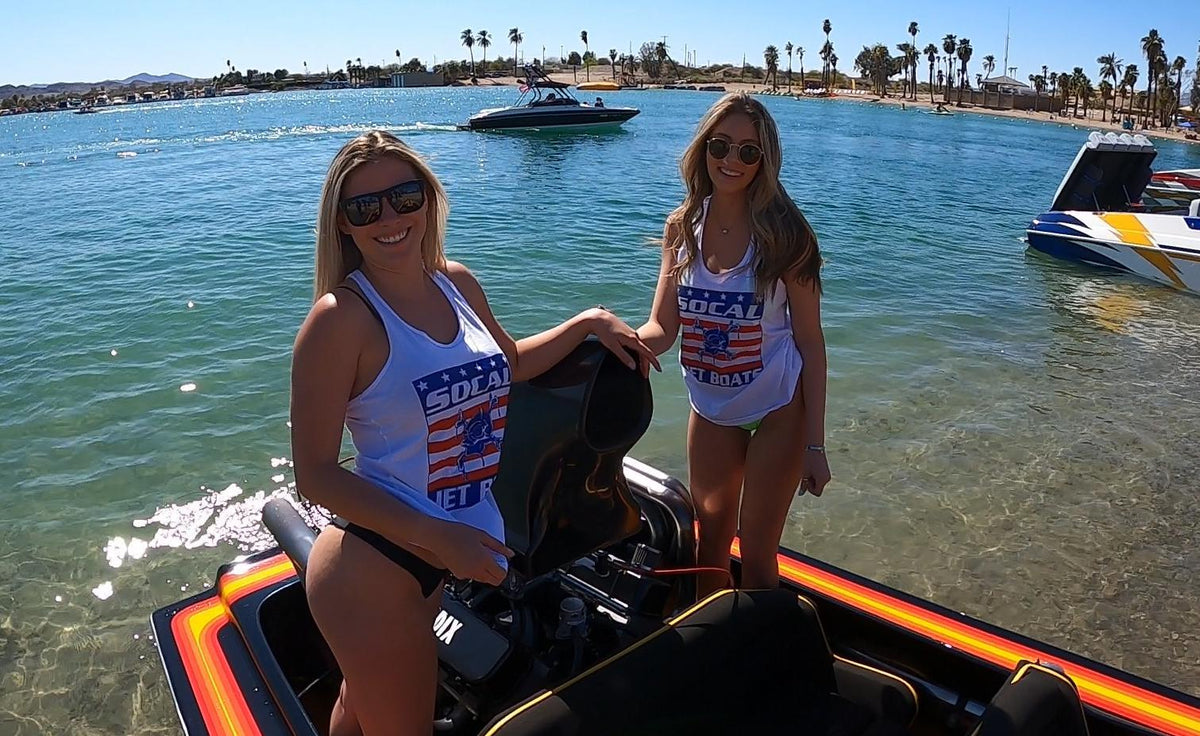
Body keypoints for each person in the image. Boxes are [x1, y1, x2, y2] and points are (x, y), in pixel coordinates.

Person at [291, 129, 658, 735]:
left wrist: (587, 323)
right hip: (374, 569)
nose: (390, 217)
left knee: (360, 711)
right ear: (343, 225)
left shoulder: (455, 283)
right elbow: (317, 475)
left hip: (432, 559)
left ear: (428, 199)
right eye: (365, 207)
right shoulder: (340, 320)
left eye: (405, 196)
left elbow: (509, 364)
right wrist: (442, 537)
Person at [636, 93, 830, 597]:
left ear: (764, 160)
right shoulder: (682, 229)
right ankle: (712, 656)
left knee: (760, 554)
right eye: (721, 145)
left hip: (778, 407)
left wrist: (815, 444)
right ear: (704, 148)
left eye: (748, 151)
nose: (731, 160)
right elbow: (661, 327)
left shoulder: (787, 235)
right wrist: (600, 334)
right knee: (710, 549)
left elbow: (811, 342)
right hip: (712, 407)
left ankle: (764, 661)